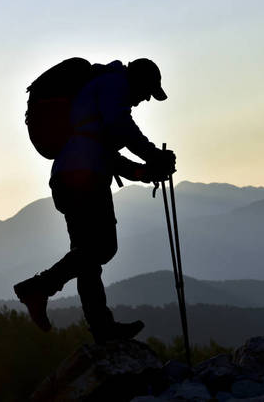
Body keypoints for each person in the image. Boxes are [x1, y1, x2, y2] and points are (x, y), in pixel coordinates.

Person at [13, 58, 176, 344]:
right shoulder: (115, 84)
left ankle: (102, 328)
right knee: (102, 247)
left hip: (70, 177)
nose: (143, 101)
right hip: (83, 179)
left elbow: (108, 153)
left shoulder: (95, 99)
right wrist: (153, 155)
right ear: (137, 79)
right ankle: (39, 288)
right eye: (147, 92)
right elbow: (121, 125)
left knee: (87, 257)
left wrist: (144, 171)